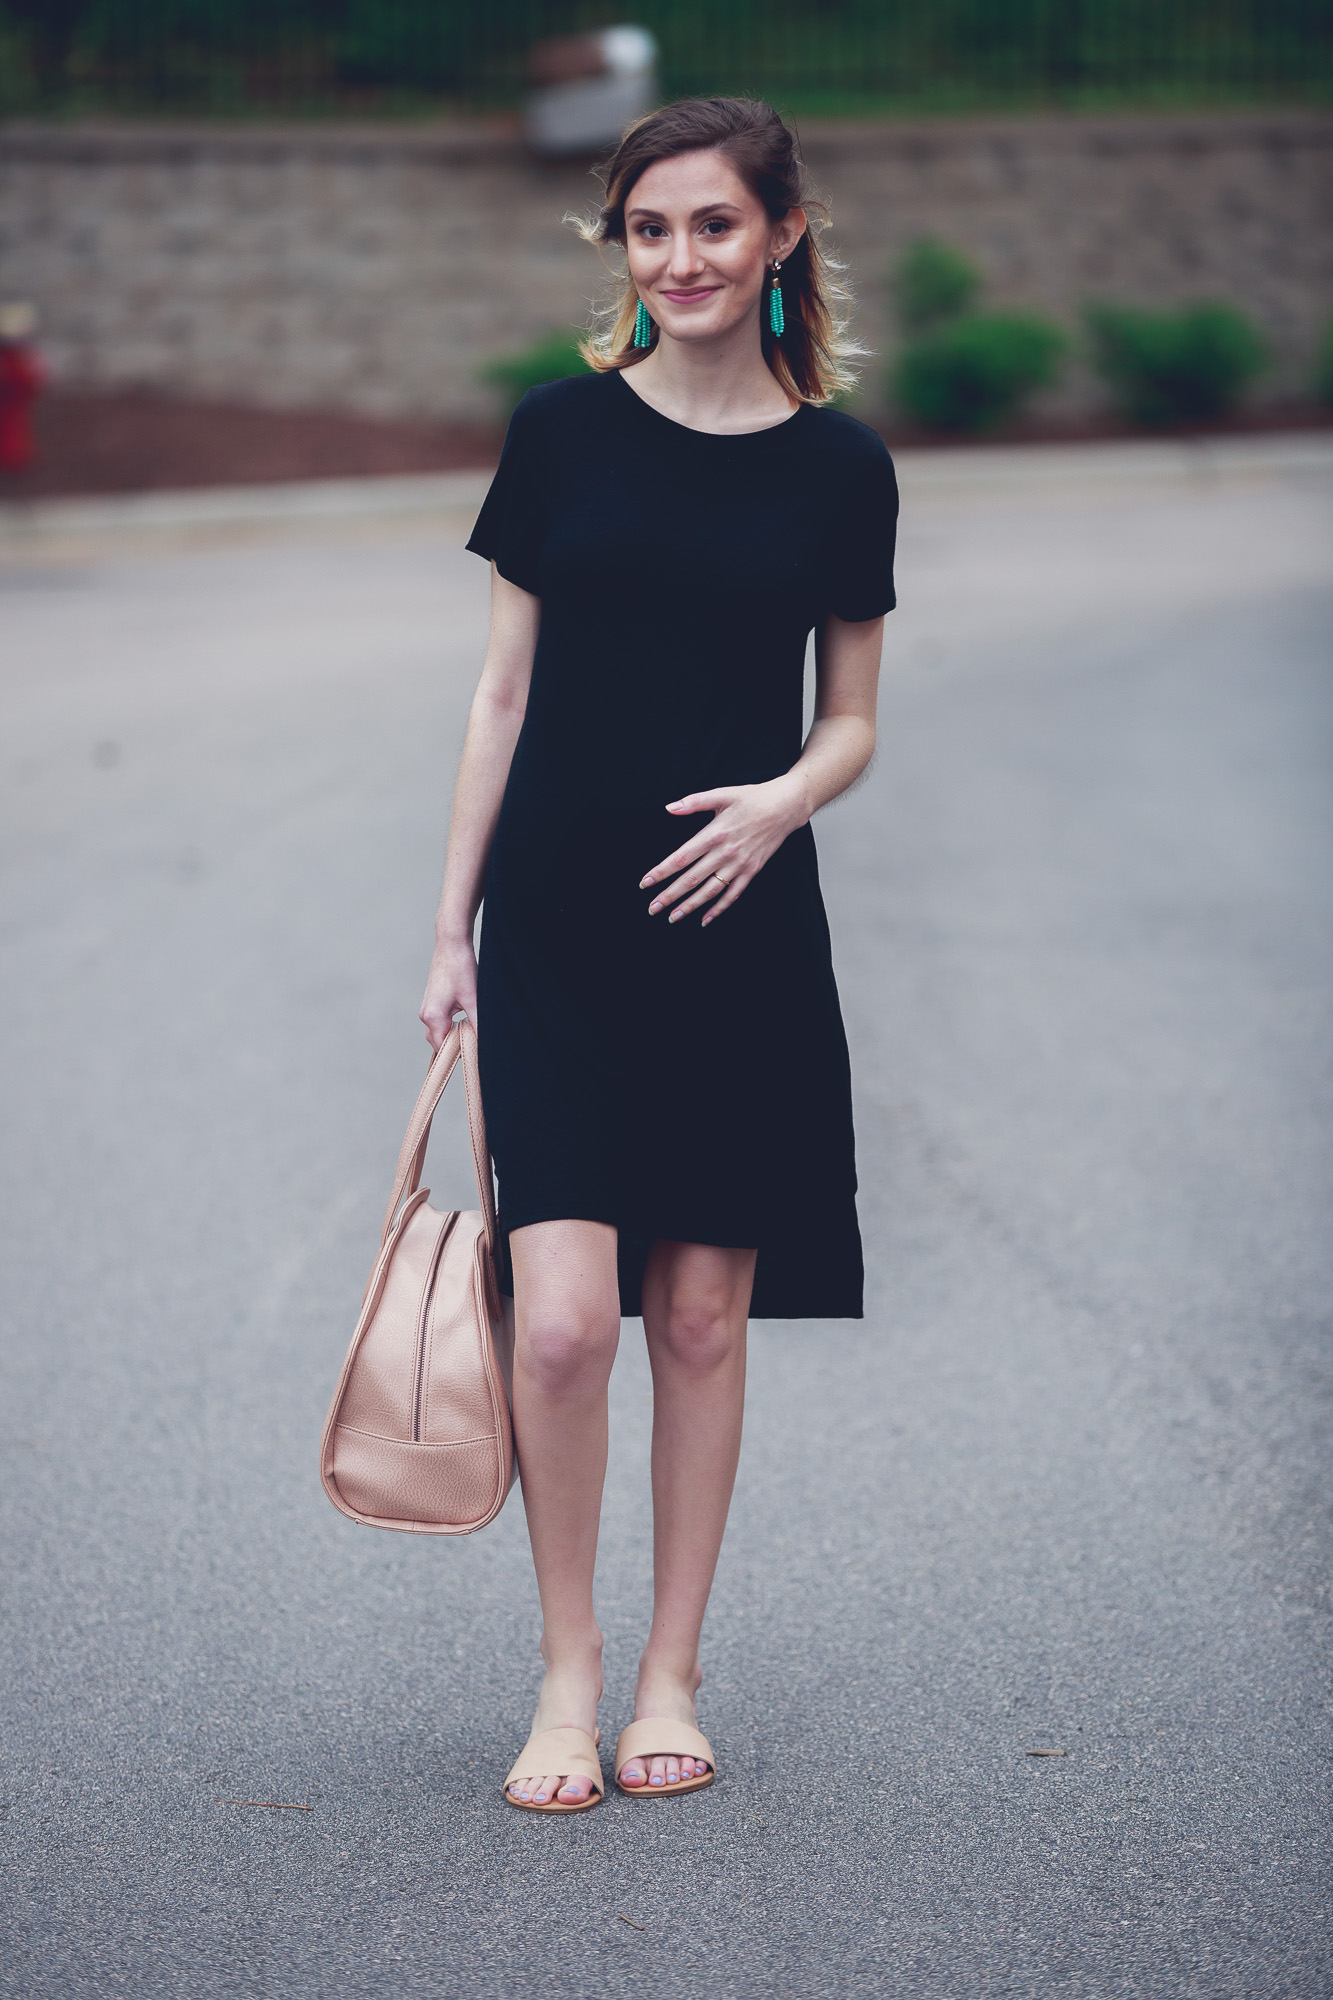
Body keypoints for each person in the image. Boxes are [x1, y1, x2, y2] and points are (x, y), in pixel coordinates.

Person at [419, 96, 898, 1811]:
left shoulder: (841, 464)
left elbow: (849, 715)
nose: (680, 258)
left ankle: (669, 1674)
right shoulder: (558, 436)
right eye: (649, 229)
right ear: (622, 249)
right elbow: (500, 693)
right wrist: (447, 931)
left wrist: (779, 803)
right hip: (552, 921)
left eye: (712, 225)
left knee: (698, 1317)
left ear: (777, 238)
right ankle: (563, 1677)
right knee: (558, 1325)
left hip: (737, 931)